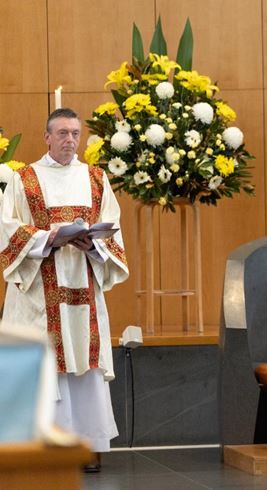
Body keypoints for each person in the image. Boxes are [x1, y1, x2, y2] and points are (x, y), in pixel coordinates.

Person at [0, 108, 128, 471]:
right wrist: (48, 239)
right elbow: (8, 229)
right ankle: (42, 450)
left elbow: (113, 228)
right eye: (62, 133)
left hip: (83, 284)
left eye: (74, 133)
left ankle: (89, 446)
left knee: (85, 364)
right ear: (47, 137)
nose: (69, 140)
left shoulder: (97, 178)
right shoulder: (24, 179)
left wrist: (94, 245)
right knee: (45, 363)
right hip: (40, 289)